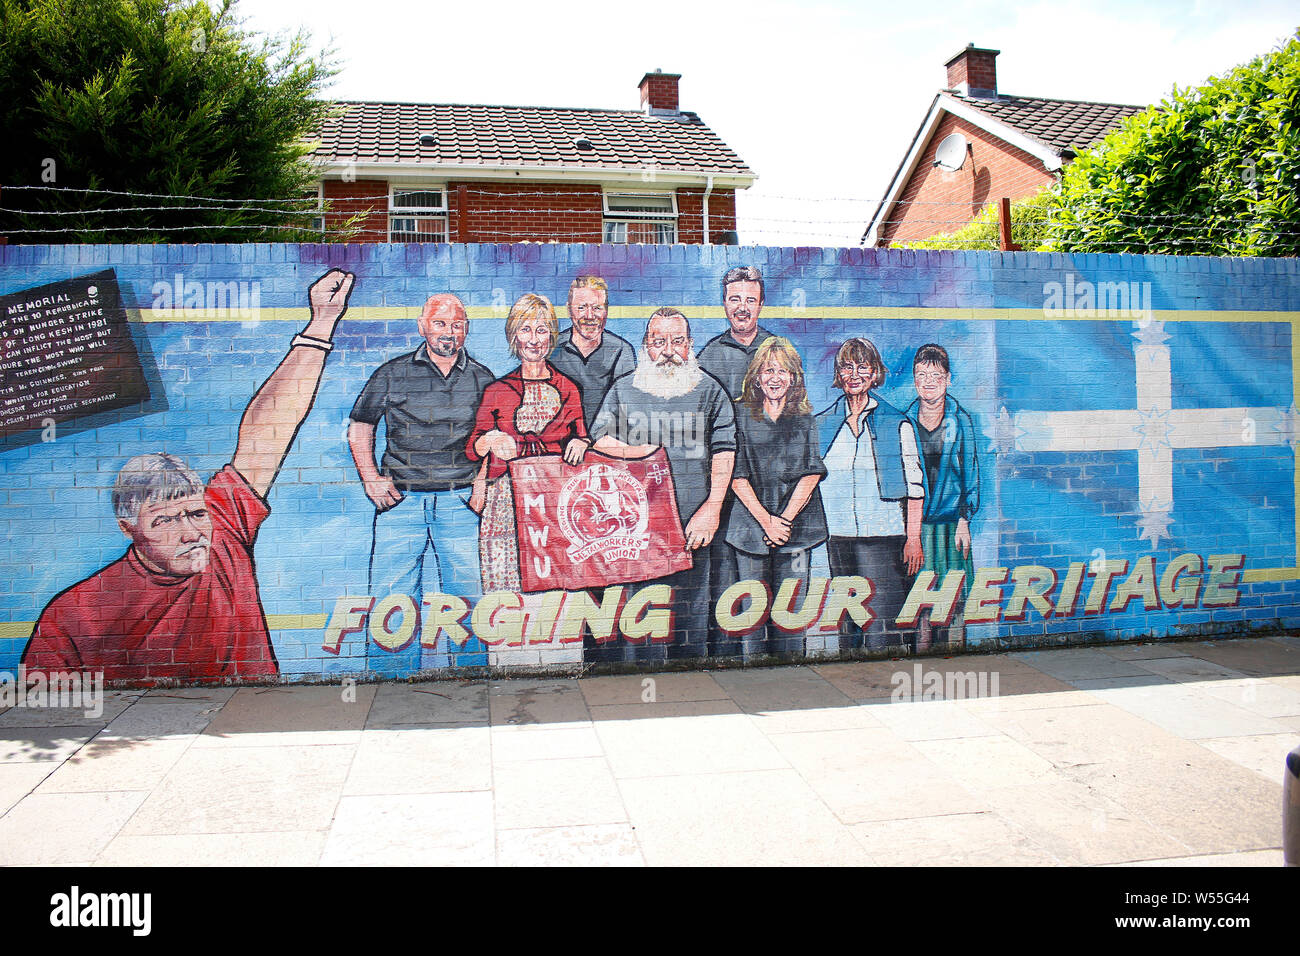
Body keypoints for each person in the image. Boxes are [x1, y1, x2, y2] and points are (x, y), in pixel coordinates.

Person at [22, 269, 357, 683]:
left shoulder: (222, 532)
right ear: (129, 528)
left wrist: (321, 324)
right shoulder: (75, 614)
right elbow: (45, 706)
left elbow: (267, 431)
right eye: (164, 520)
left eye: (195, 514)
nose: (190, 532)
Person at [348, 293, 495, 675]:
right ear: (422, 326)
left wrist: (481, 485)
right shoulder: (392, 373)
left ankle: (472, 679)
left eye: (458, 324)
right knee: (391, 602)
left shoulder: (482, 378)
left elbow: (495, 436)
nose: (450, 332)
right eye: (441, 323)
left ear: (466, 329)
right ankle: (389, 683)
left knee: (467, 600)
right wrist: (370, 479)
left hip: (460, 502)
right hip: (401, 503)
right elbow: (361, 426)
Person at [590, 308, 736, 660]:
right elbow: (599, 440)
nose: (668, 351)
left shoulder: (710, 391)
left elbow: (725, 451)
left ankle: (691, 692)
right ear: (645, 346)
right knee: (639, 623)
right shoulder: (624, 389)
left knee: (690, 620)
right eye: (659, 342)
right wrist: (641, 452)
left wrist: (712, 509)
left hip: (692, 528)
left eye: (677, 341)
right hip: (634, 530)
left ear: (689, 345)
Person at [467, 293, 587, 592]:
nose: (534, 340)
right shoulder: (497, 390)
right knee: (507, 581)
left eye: (542, 330)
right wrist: (491, 441)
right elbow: (474, 447)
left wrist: (582, 443)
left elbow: (581, 434)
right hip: (505, 497)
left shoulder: (568, 388)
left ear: (552, 336)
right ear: (513, 336)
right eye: (525, 329)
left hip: (552, 495)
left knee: (554, 579)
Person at [816, 337, 925, 652]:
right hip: (837, 537)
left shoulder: (896, 422)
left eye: (862, 366)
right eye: (847, 367)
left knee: (884, 629)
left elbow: (915, 488)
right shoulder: (823, 424)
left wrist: (913, 538)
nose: (854, 374)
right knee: (848, 626)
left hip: (884, 537)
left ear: (875, 371)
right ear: (839, 374)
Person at [726, 337, 828, 659]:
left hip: (797, 533)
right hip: (750, 531)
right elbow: (736, 475)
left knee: (791, 615)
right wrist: (767, 522)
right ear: (756, 376)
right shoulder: (740, 415)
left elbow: (811, 472)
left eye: (783, 371)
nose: (775, 377)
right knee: (752, 617)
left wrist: (782, 521)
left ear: (794, 377)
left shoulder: (805, 419)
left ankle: (792, 679)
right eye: (768, 370)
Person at [906, 343, 979, 650]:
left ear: (948, 378)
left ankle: (954, 656)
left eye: (935, 375)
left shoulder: (960, 420)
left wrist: (964, 519)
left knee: (955, 599)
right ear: (914, 378)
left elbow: (971, 474)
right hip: (919, 526)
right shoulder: (905, 419)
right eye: (921, 374)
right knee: (921, 602)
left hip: (951, 526)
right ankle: (922, 660)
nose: (928, 381)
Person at [547, 276, 636, 431]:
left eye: (597, 308)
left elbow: (626, 409)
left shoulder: (621, 351)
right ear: (569, 309)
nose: (589, 316)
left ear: (606, 310)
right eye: (581, 307)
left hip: (606, 443)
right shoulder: (551, 349)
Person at [696, 266, 774, 399]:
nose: (742, 307)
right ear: (724, 303)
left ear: (761, 304)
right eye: (735, 299)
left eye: (750, 300)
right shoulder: (709, 355)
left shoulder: (778, 349)